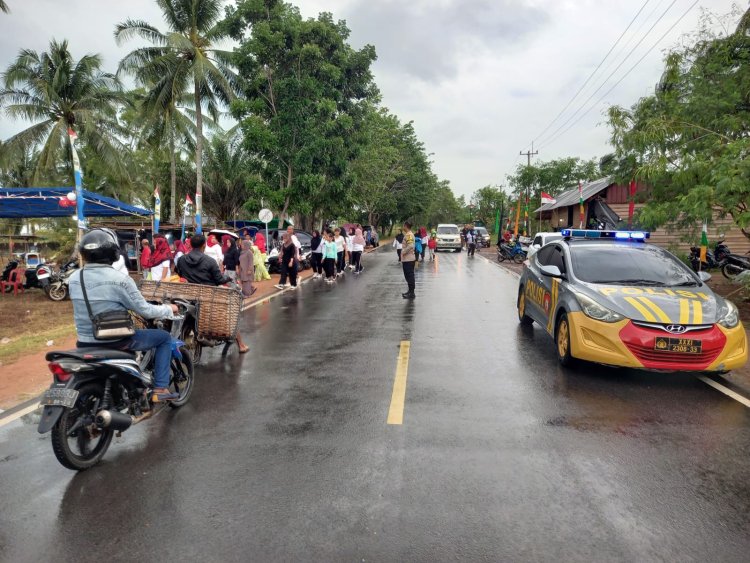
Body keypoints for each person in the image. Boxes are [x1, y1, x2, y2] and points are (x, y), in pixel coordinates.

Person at [70, 228, 180, 402]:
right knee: (164, 338)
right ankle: (160, 388)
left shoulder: (74, 278)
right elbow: (145, 310)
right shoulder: (120, 279)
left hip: (84, 341)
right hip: (116, 340)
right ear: (114, 252)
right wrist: (169, 309)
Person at [176, 234, 249, 353]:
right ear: (204, 245)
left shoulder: (181, 259)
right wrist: (228, 278)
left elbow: (179, 273)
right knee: (230, 314)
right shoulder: (209, 261)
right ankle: (241, 345)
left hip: (188, 296)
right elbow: (219, 279)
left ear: (190, 244)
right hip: (209, 296)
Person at [401, 222, 416, 299]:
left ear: (406, 226)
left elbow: (410, 245)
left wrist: (403, 252)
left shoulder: (409, 235)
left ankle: (412, 293)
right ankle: (410, 291)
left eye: (403, 225)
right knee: (408, 276)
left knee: (409, 276)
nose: (403, 227)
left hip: (408, 259)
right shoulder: (408, 234)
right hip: (407, 259)